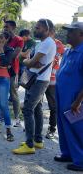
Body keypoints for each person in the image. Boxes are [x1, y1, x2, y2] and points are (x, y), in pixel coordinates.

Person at [12, 19, 56, 155]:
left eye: (38, 28)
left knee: (27, 109)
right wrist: (30, 61)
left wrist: (26, 61)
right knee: (37, 109)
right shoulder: (43, 43)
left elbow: (29, 61)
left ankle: (30, 144)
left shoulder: (47, 43)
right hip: (38, 79)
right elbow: (31, 61)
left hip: (39, 81)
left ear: (46, 30)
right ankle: (37, 140)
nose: (35, 30)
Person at [54, 22, 83, 172]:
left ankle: (81, 160)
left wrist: (78, 102)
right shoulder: (69, 51)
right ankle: (68, 153)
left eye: (72, 31)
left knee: (77, 128)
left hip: (75, 98)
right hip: (62, 95)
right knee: (63, 125)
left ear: (81, 35)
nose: (68, 34)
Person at [3, 20, 24, 127]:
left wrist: (5, 59)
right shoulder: (2, 38)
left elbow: (15, 55)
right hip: (1, 70)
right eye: (4, 27)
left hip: (12, 71)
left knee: (13, 94)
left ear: (13, 28)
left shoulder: (19, 40)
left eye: (6, 27)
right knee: (2, 94)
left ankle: (17, 118)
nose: (4, 28)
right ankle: (2, 116)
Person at [44, 29, 64, 139]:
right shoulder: (41, 42)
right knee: (36, 104)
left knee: (53, 105)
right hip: (39, 78)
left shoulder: (59, 45)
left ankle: (52, 128)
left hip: (52, 79)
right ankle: (35, 127)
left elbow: (62, 59)